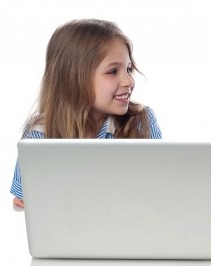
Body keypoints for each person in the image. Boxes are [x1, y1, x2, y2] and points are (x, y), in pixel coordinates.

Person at [11, 19, 162, 208]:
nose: (128, 81)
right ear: (73, 78)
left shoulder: (142, 121)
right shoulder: (39, 135)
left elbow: (160, 189)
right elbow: (22, 201)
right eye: (113, 71)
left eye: (128, 69)